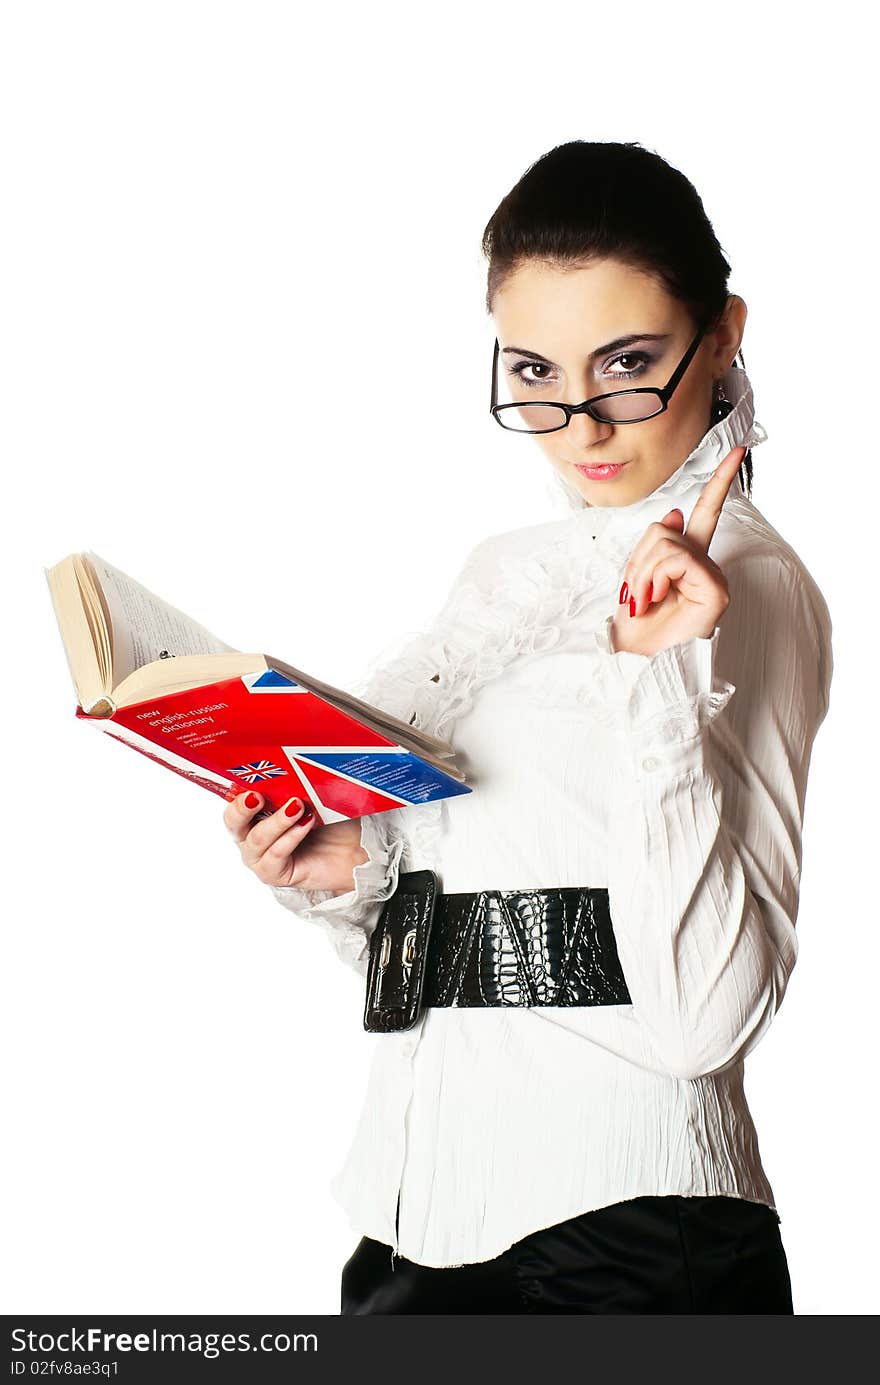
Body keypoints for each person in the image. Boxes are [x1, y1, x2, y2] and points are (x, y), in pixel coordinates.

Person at [223, 140, 833, 1314]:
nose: (584, 421)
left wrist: (653, 678)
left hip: (627, 1236)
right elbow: (502, 895)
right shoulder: (505, 572)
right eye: (537, 371)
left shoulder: (743, 586)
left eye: (630, 362)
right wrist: (352, 874)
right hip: (409, 1218)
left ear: (723, 335)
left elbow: (708, 1013)